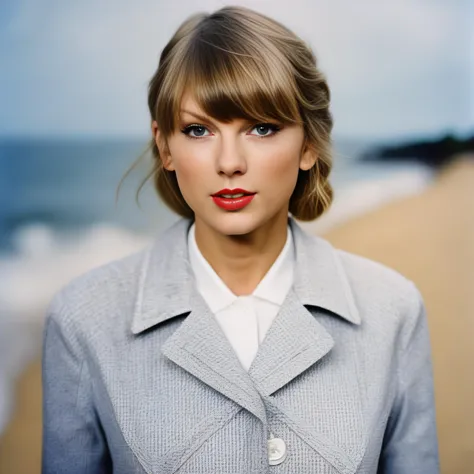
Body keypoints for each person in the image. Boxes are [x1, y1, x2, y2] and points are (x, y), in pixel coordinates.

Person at [41, 6, 439, 473]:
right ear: (165, 145)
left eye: (261, 127)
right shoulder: (83, 320)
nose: (229, 161)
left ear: (309, 144)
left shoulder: (393, 310)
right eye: (198, 130)